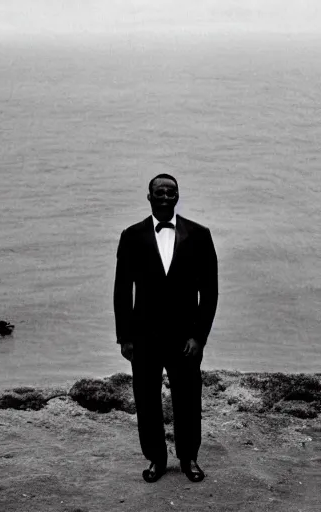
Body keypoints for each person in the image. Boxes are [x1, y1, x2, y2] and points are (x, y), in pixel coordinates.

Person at [113, 173, 218, 483]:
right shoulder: (131, 236)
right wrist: (125, 337)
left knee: (188, 399)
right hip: (144, 338)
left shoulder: (200, 235)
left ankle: (189, 458)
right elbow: (122, 290)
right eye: (158, 192)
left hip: (185, 338)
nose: (164, 197)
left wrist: (199, 336)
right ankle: (156, 459)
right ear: (149, 197)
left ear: (177, 197)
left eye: (170, 192)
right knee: (146, 401)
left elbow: (209, 292)